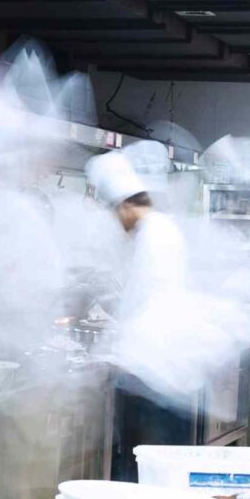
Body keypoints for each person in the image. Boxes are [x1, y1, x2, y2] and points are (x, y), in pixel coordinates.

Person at [89, 149, 198, 479]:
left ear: (124, 205)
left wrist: (110, 354)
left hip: (152, 374)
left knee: (141, 472)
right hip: (163, 371)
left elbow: (148, 306)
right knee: (156, 471)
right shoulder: (161, 229)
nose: (115, 223)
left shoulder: (154, 236)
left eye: (113, 213)